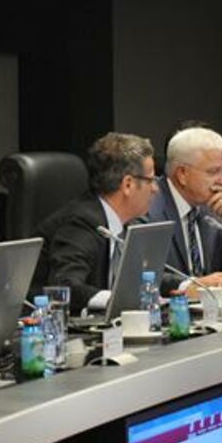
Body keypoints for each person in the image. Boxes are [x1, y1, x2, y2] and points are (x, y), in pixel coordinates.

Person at [33, 133, 161, 313]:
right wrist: (118, 300)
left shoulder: (128, 222)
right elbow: (66, 285)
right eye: (151, 180)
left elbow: (142, 273)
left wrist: (186, 285)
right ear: (128, 184)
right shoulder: (82, 223)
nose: (155, 189)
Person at [147, 125, 222, 292]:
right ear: (182, 174)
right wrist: (192, 285)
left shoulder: (215, 207)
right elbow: (142, 274)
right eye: (213, 172)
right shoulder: (147, 207)